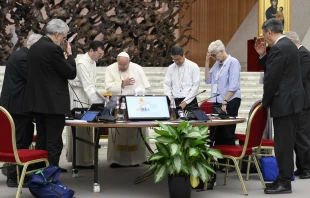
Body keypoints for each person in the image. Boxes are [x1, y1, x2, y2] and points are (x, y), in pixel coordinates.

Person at [255, 18, 304, 194]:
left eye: (264, 34)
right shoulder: (288, 45)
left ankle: (284, 182)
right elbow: (279, 69)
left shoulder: (279, 48)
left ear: (269, 32)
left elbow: (271, 79)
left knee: (283, 145)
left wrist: (265, 101)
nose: (264, 38)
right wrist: (262, 56)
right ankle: (282, 178)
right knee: (285, 143)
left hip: (284, 103)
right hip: (292, 102)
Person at [23, 19, 77, 167]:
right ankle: (50, 177)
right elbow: (71, 73)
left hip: (37, 102)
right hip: (53, 104)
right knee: (54, 142)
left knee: (42, 140)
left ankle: (39, 174)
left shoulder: (34, 47)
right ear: (57, 34)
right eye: (64, 37)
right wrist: (70, 56)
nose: (64, 40)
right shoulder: (53, 49)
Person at [0, 33, 42, 187]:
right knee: (18, 141)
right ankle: (14, 177)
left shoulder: (23, 55)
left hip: (19, 106)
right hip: (17, 107)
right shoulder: (23, 58)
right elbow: (35, 79)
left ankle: (19, 173)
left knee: (23, 139)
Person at [105, 52, 150, 168]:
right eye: (120, 64)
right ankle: (116, 160)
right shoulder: (110, 69)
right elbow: (108, 87)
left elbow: (145, 87)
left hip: (135, 104)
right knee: (118, 132)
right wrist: (122, 84)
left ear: (129, 62)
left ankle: (136, 160)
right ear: (117, 61)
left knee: (135, 132)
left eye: (125, 65)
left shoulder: (137, 68)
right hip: (117, 104)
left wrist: (138, 92)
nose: (122, 67)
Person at [66, 41, 105, 168]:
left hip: (87, 95)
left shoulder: (92, 62)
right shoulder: (82, 63)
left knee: (87, 128)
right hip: (80, 95)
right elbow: (87, 85)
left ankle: (86, 159)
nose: (100, 57)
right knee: (81, 127)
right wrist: (100, 102)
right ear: (91, 51)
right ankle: (80, 161)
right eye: (99, 54)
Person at [205, 40, 241, 146]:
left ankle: (228, 161)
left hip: (230, 101)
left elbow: (233, 86)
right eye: (212, 56)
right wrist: (207, 63)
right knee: (215, 133)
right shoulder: (217, 64)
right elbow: (207, 80)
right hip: (217, 101)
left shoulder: (233, 62)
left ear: (221, 51)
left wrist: (225, 101)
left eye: (214, 55)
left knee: (227, 133)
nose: (214, 58)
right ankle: (219, 162)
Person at [285, 31, 310, 179]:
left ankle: (307, 167)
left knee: (303, 137)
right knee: (296, 137)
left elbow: (299, 77)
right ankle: (300, 167)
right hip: (296, 102)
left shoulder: (304, 54)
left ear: (292, 42)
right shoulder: (296, 54)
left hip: (304, 102)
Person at [164, 46, 200, 113]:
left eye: (178, 59)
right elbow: (167, 85)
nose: (177, 62)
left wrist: (186, 101)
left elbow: (195, 86)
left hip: (190, 101)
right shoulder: (171, 68)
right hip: (175, 101)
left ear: (183, 55)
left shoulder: (193, 66)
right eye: (174, 60)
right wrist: (170, 100)